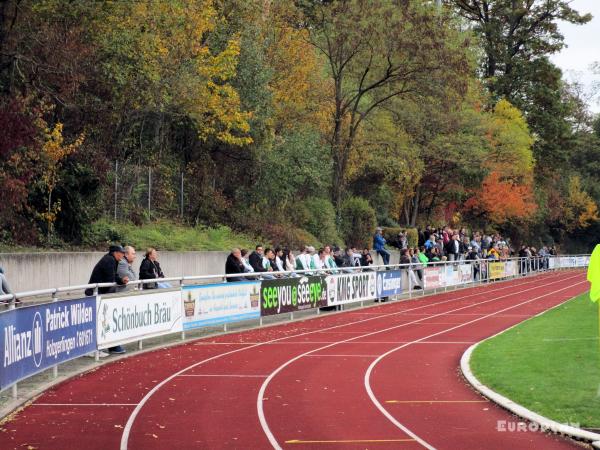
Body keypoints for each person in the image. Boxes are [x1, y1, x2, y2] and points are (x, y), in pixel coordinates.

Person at [85, 245, 129, 355]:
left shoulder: (112, 259)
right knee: (99, 322)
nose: (123, 255)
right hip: (96, 294)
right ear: (115, 253)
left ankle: (110, 346)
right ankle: (94, 349)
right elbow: (110, 279)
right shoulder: (109, 260)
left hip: (100, 294)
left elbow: (114, 276)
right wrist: (118, 281)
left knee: (104, 321)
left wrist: (121, 280)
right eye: (121, 253)